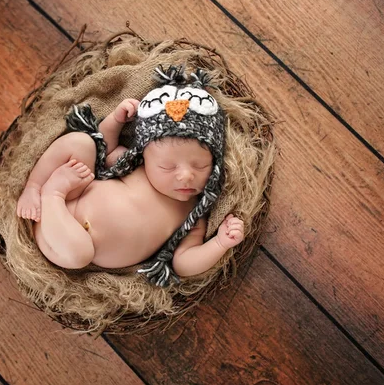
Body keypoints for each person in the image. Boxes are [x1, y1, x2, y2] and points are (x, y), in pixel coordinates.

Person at [16, 66, 244, 287]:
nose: (185, 176)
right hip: (69, 199)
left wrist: (220, 243)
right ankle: (36, 189)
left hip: (68, 244)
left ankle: (51, 195)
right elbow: (103, 146)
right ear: (143, 154)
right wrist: (115, 121)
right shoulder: (134, 166)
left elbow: (183, 263)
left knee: (79, 253)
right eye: (167, 167)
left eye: (200, 166)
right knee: (82, 142)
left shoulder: (193, 215)